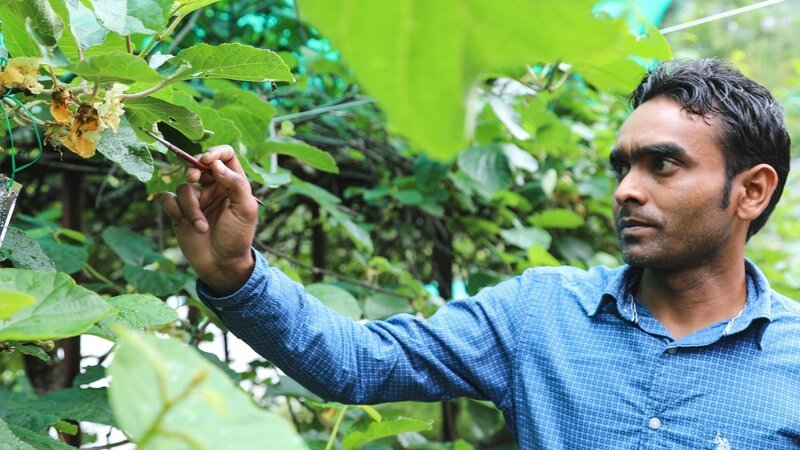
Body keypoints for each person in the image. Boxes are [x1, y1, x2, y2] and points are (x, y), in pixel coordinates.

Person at [161, 59, 800, 448]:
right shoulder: (540, 312)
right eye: (623, 166)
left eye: (664, 165)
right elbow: (358, 363)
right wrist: (235, 272)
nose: (627, 190)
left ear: (750, 191)